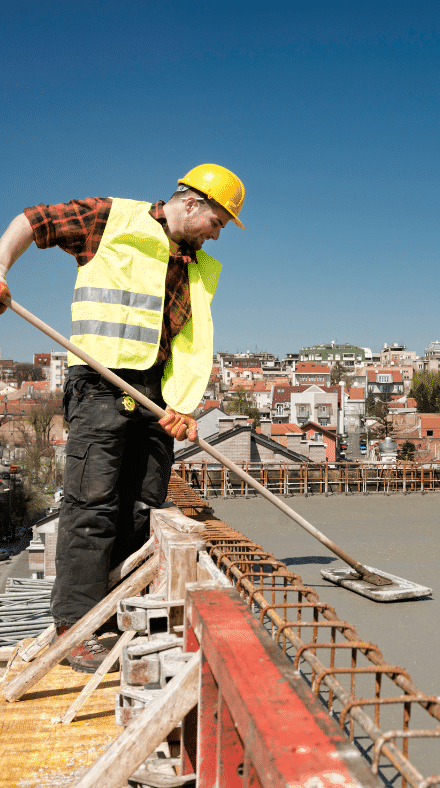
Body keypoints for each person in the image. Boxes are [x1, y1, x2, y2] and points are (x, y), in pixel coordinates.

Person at [0, 164, 245, 672]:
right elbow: (32, 221)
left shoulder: (195, 267)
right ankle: (76, 628)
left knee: (142, 504)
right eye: (218, 221)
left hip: (154, 394)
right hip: (98, 381)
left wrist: (184, 407)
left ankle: (114, 618)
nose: (218, 234)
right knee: (93, 504)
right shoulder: (111, 219)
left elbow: (189, 347)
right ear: (192, 203)